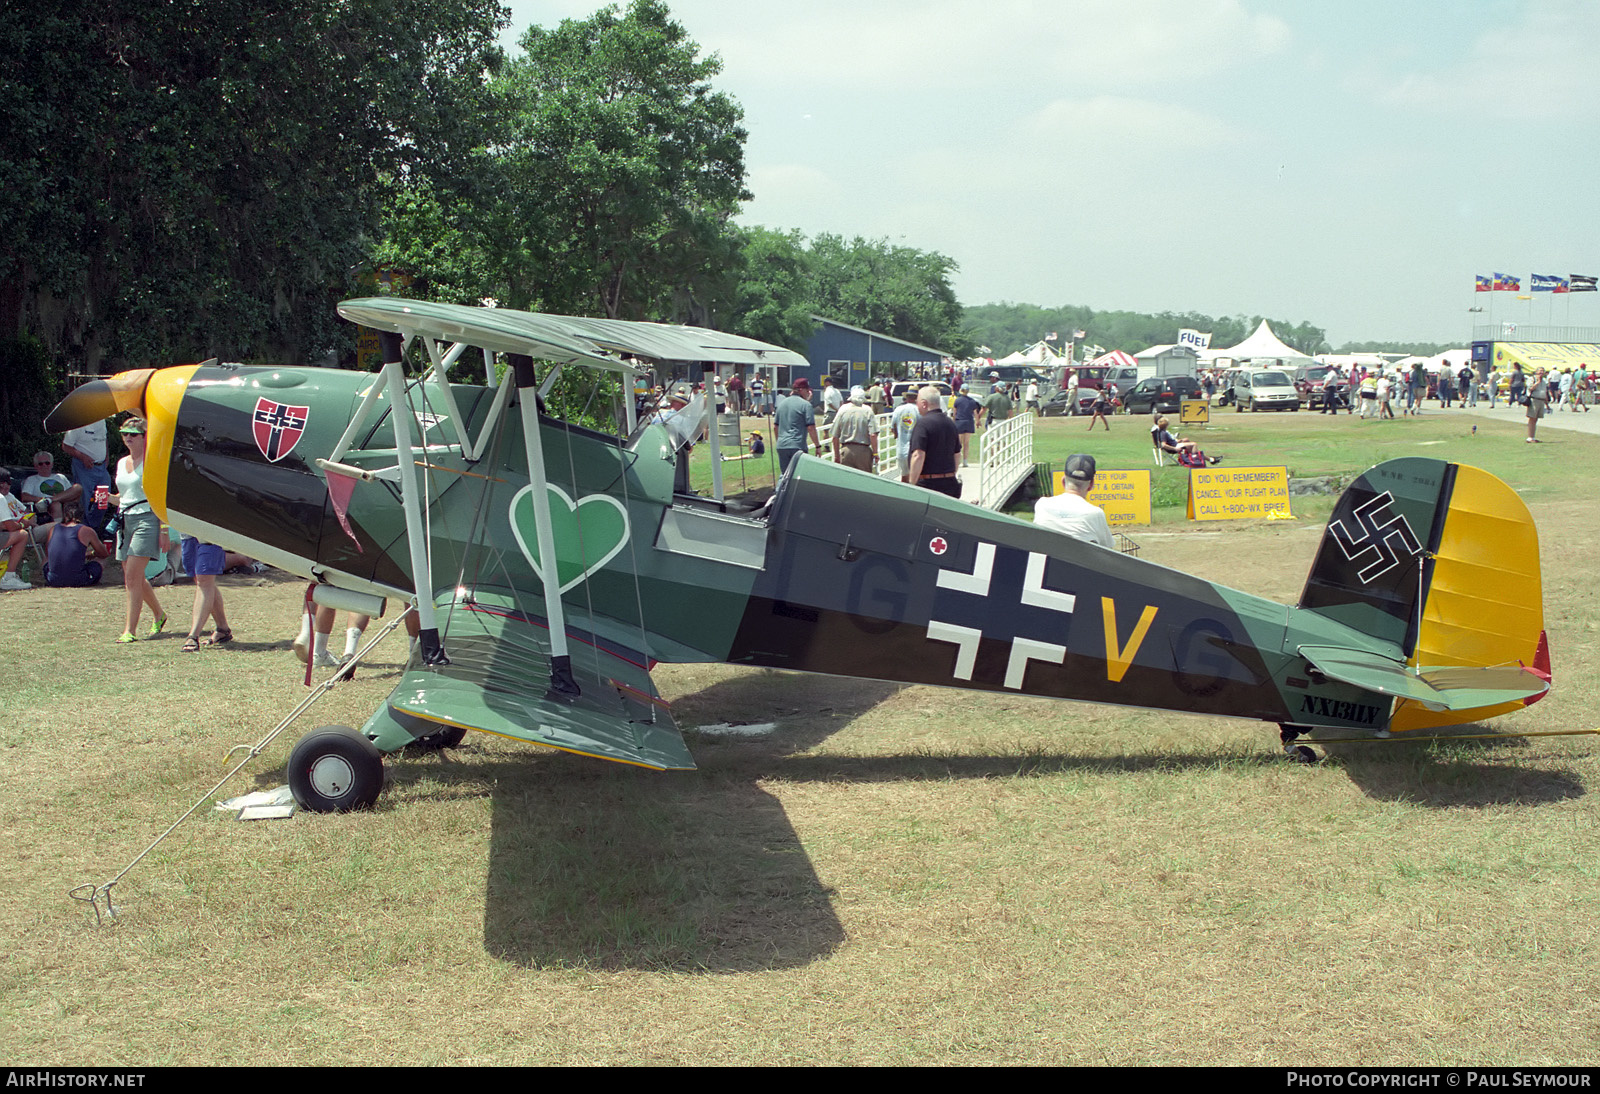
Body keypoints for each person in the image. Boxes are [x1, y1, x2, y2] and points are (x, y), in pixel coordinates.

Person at [110, 416, 168, 642]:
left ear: (145, 437)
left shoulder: (152, 461)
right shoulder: (121, 463)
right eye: (124, 433)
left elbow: (161, 498)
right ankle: (159, 614)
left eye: (133, 434)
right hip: (125, 520)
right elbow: (123, 498)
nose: (128, 437)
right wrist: (107, 499)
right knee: (132, 574)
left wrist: (164, 530)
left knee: (132, 576)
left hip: (148, 520)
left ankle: (129, 631)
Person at [1034, 454, 1114, 549]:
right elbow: (1107, 549)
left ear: (1063, 481)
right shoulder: (1095, 514)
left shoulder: (1042, 504)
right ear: (1091, 485)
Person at [178, 535, 233, 651]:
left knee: (204, 579)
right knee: (200, 580)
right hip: (187, 533)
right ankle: (223, 629)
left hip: (210, 534)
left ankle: (193, 635)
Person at [907, 386, 961, 498]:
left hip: (928, 484)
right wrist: (951, 474)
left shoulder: (923, 424)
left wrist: (912, 484)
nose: (916, 405)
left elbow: (918, 455)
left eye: (917, 402)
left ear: (924, 404)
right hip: (950, 483)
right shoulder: (950, 423)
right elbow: (957, 454)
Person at [62, 417, 113, 534]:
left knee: (104, 500)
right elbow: (66, 446)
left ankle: (92, 529)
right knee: (83, 501)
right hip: (83, 467)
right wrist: (82, 456)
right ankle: (80, 532)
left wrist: (106, 456)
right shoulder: (76, 423)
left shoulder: (101, 419)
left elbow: (104, 439)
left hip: (101, 467)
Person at [41, 502, 109, 587]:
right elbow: (104, 554)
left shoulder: (53, 529)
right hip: (78, 580)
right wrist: (92, 553)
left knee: (45, 559)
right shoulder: (86, 530)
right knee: (101, 560)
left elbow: (49, 554)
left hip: (53, 580)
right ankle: (93, 579)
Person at [774, 378, 821, 474]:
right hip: (797, 445)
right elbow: (810, 427)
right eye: (807, 391)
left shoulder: (781, 404)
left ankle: (780, 489)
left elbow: (776, 427)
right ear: (801, 390)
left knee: (785, 475)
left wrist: (780, 441)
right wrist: (817, 446)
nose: (808, 393)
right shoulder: (806, 405)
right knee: (798, 475)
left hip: (782, 445)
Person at [20, 452, 81, 522]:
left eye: (47, 463)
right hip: (44, 508)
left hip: (65, 503)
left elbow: (71, 492)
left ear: (52, 464)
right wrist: (41, 499)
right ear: (35, 466)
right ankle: (58, 529)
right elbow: (24, 496)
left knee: (78, 487)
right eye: (40, 464)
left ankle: (49, 500)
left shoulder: (61, 477)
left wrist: (51, 499)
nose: (44, 465)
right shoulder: (31, 479)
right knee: (56, 504)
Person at [831, 386, 878, 472]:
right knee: (864, 480)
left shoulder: (843, 410)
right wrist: (875, 453)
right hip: (863, 451)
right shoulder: (868, 411)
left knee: (846, 481)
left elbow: (835, 437)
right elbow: (873, 434)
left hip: (846, 450)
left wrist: (837, 455)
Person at [0, 470, 34, 590]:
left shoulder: (9, 497)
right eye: (2, 482)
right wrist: (22, 525)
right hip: (11, 531)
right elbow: (9, 525)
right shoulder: (1, 499)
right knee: (22, 535)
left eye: (8, 483)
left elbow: (6, 525)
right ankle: (8, 577)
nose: (5, 485)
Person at [890, 386, 920, 483]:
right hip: (915, 451)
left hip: (901, 450)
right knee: (916, 478)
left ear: (907, 397)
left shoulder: (898, 410)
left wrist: (897, 435)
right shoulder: (920, 411)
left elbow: (893, 428)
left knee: (904, 476)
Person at [950, 383, 980, 466]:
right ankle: (965, 461)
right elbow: (975, 412)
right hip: (969, 422)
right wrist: (977, 421)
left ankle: (958, 460)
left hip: (959, 422)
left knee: (959, 443)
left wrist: (953, 422)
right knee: (966, 443)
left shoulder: (957, 400)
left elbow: (954, 413)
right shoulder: (972, 401)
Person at [1526, 369, 1549, 443]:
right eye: (1540, 371)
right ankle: (1529, 437)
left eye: (1543, 372)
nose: (1541, 373)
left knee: (1536, 419)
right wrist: (1538, 382)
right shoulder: (1531, 379)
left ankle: (1533, 436)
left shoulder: (1544, 381)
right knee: (1532, 418)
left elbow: (1545, 392)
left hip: (1541, 400)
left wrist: (1547, 404)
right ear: (1536, 372)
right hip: (1534, 399)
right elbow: (1531, 388)